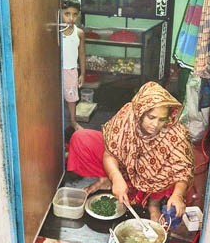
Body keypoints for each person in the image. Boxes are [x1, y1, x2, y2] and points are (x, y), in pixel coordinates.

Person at [67, 81, 193, 223]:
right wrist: (115, 177)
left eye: (162, 119)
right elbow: (110, 153)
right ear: (140, 112)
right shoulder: (128, 116)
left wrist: (178, 195)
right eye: (151, 117)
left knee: (168, 169)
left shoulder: (175, 132)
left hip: (152, 176)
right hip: (125, 163)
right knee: (81, 138)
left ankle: (153, 204)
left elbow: (183, 169)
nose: (156, 124)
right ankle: (106, 179)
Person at [60, 0, 86, 131]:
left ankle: (73, 122)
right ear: (60, 13)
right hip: (57, 71)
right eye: (67, 14)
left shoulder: (79, 33)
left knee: (71, 99)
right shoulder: (56, 32)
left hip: (71, 70)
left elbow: (81, 54)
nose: (71, 18)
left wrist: (83, 73)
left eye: (75, 14)